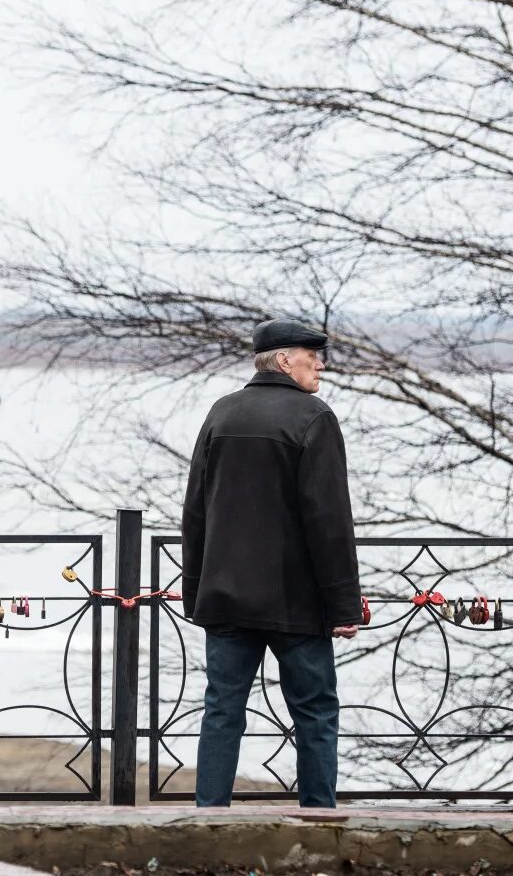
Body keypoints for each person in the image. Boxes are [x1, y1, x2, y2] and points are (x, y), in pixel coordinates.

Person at [180, 317, 361, 808]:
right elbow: (329, 520)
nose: (321, 364)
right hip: (296, 605)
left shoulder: (221, 413)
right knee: (316, 712)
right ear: (284, 360)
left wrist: (195, 592)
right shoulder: (314, 417)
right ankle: (319, 818)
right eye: (312, 355)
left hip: (225, 598)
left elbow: (194, 512)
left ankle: (209, 817)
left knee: (221, 711)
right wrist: (344, 606)